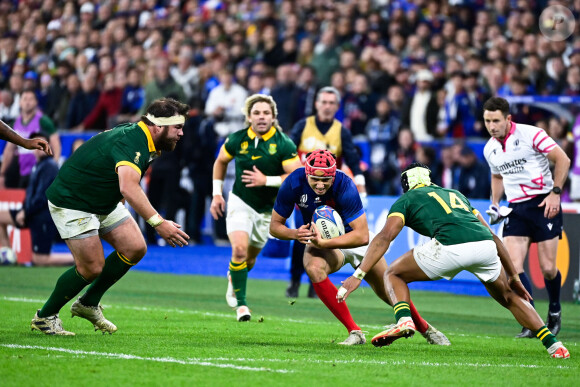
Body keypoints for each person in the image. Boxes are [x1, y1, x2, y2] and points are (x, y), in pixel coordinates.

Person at [337, 162, 569, 359]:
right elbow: (495, 239)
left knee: (393, 273)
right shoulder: (456, 195)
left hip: (450, 247)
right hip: (485, 247)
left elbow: (385, 237)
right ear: (430, 179)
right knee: (509, 296)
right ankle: (554, 345)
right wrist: (514, 277)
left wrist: (358, 275)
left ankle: (404, 320)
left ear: (405, 184)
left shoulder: (405, 200)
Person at [30, 98, 191, 336]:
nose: (181, 133)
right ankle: (44, 317)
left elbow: (116, 172)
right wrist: (159, 223)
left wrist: (118, 195)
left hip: (102, 198)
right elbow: (129, 186)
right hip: (73, 200)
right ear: (158, 126)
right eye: (177, 127)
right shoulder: (133, 141)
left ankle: (87, 303)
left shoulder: (144, 136)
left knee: (135, 247)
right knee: (92, 267)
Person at [270, 150, 450, 346]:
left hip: (354, 241)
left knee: (387, 289)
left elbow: (362, 236)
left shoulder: (344, 184)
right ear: (306, 174)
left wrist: (324, 243)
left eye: (326, 180)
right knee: (313, 267)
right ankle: (354, 332)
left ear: (333, 174)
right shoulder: (293, 183)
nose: (320, 185)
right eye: (314, 180)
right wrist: (295, 234)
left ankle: (426, 328)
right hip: (325, 244)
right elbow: (275, 226)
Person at [482, 97, 570, 339]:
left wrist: (556, 193)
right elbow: (497, 176)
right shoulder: (490, 148)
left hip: (543, 203)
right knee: (513, 270)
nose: (491, 126)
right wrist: (495, 203)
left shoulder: (532, 134)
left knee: (549, 269)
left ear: (508, 119)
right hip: (516, 208)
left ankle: (554, 310)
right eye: (487, 121)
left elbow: (563, 159)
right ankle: (533, 321)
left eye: (496, 121)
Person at [209, 94, 301, 322]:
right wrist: (216, 194)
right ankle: (242, 305)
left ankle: (234, 277)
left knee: (248, 261)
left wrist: (266, 180)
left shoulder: (283, 143)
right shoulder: (237, 139)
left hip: (268, 211)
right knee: (238, 251)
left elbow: (296, 176)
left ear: (273, 117)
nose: (261, 117)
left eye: (266, 113)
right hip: (241, 201)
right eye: (257, 113)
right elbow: (220, 162)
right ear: (249, 116)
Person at [287, 86, 367, 298]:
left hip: (331, 197)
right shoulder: (303, 126)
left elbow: (351, 157)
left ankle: (317, 283)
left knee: (328, 238)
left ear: (337, 107)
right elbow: (288, 152)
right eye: (324, 102)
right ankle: (294, 281)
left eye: (332, 103)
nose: (327, 106)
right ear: (316, 104)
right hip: (303, 193)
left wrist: (360, 181)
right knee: (302, 237)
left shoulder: (341, 130)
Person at [0, 132, 73, 266]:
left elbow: (42, 197)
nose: (40, 149)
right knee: (0, 218)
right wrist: (23, 209)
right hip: (31, 213)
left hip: (42, 217)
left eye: (43, 145)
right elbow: (30, 195)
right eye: (38, 145)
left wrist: (25, 212)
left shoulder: (50, 166)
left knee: (40, 260)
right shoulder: (37, 166)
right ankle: (8, 256)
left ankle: (79, 260)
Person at [0, 90, 61, 189]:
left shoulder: (44, 121)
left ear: (36, 102)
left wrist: (55, 164)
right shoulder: (15, 123)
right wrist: (2, 173)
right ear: (20, 102)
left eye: (30, 99)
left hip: (40, 169)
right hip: (22, 170)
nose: (27, 102)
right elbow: (9, 150)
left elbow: (55, 143)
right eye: (25, 99)